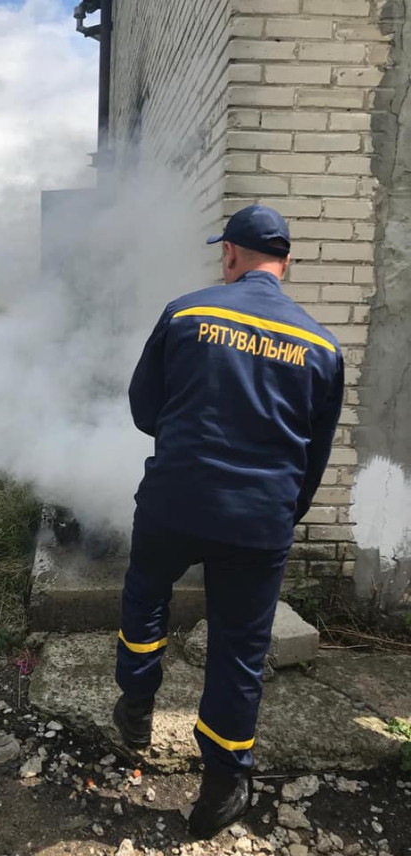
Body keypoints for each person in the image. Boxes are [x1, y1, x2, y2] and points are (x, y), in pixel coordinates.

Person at [112, 204, 344, 840]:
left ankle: (136, 705)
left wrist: (189, 439)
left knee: (146, 595)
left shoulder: (186, 313)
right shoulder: (323, 347)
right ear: (286, 263)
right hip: (260, 518)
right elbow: (314, 455)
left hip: (175, 501)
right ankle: (222, 787)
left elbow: (144, 408)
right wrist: (278, 516)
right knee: (240, 649)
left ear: (232, 254)